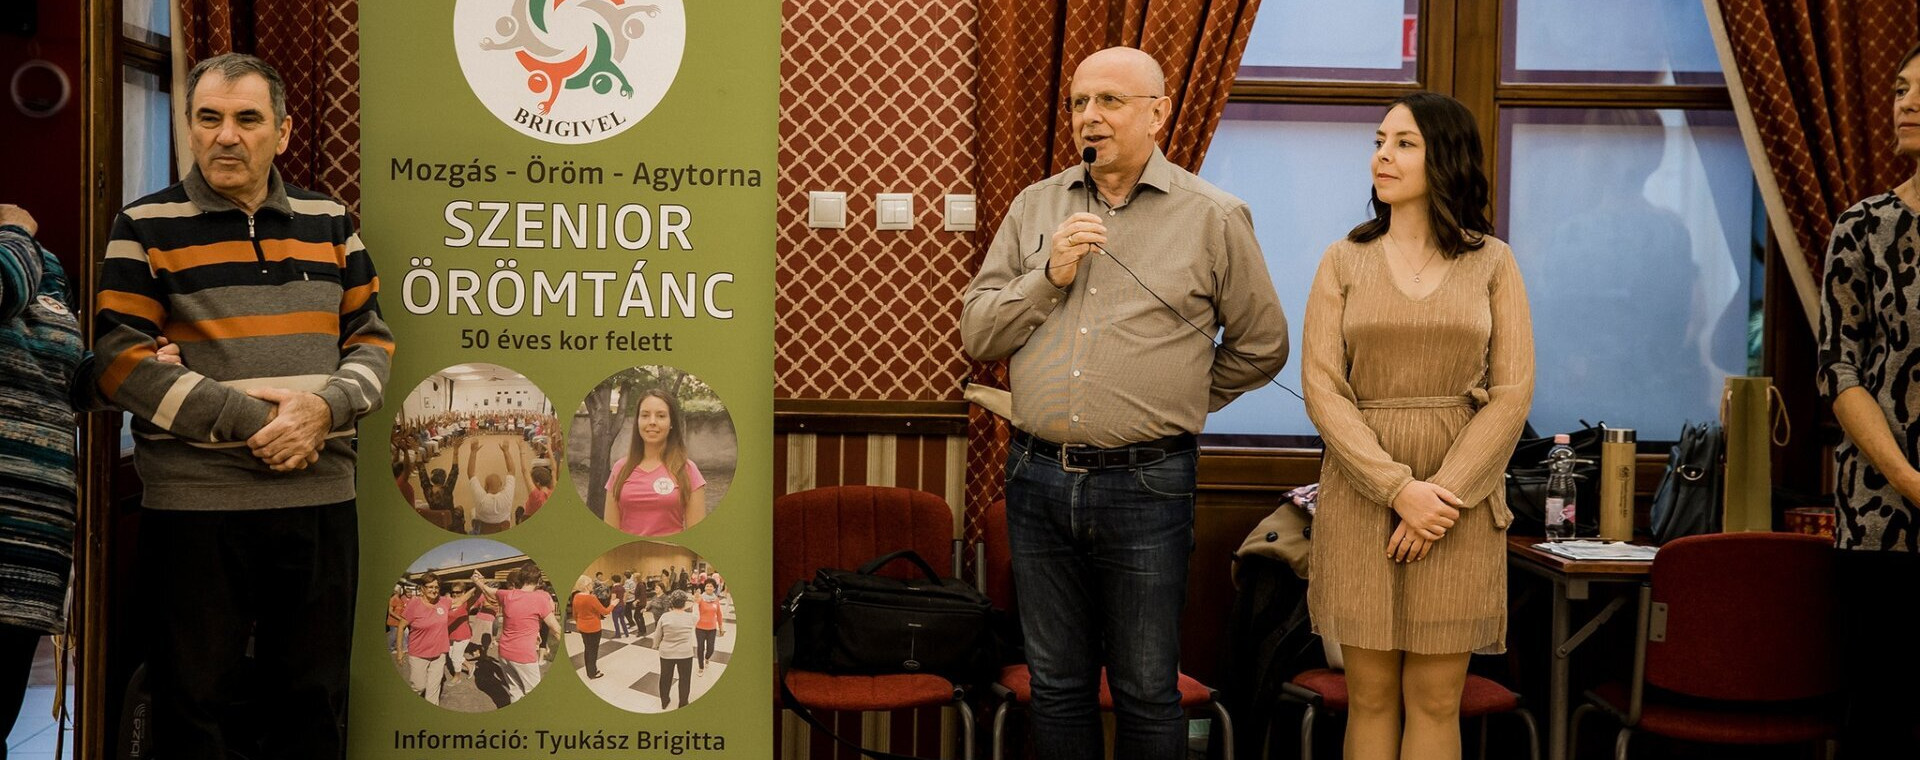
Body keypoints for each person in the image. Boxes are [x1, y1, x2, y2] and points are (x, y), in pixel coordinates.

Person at [959, 46, 1288, 759]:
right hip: (1037, 479)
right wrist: (1049, 275)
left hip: (1148, 483)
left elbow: (1263, 346)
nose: (1090, 116)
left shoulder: (1213, 216)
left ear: (1159, 113)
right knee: (1055, 684)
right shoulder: (1035, 206)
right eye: (1080, 102)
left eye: (1110, 100)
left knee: (1144, 686)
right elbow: (978, 332)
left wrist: (1173, 396)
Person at [83, 52, 393, 759]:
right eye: (209, 118)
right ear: (189, 128)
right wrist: (269, 424)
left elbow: (372, 344)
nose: (227, 136)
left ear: (282, 132)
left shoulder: (331, 222)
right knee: (192, 706)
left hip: (318, 500)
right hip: (195, 508)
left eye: (247, 119)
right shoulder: (144, 225)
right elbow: (121, 363)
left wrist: (323, 412)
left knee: (313, 702)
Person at [1302, 91, 1533, 760]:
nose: (1382, 155)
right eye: (1379, 141)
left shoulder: (1493, 262)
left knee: (1435, 700)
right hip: (1361, 491)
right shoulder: (1343, 259)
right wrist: (1398, 489)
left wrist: (1440, 498)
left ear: (1446, 157)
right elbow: (1322, 388)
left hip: (1458, 502)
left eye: (1404, 143)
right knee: (1370, 698)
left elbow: (1512, 393)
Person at [1816, 39, 1920, 757]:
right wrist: (1910, 480)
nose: (1906, 103)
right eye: (1900, 89)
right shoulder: (1863, 225)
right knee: (1878, 716)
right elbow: (1840, 370)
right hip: (1882, 517)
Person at [605, 389, 708, 535]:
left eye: (661, 416)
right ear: (637, 421)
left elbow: (697, 536)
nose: (652, 422)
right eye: (645, 415)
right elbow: (610, 532)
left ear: (671, 423)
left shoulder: (688, 470)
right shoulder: (620, 469)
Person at [471, 562, 563, 703]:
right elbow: (556, 629)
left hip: (504, 652)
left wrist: (477, 581)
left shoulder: (507, 595)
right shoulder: (540, 598)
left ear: (520, 578)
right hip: (524, 655)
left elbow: (487, 590)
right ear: (538, 580)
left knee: (515, 690)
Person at [398, 574, 458, 705]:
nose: (434, 590)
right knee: (419, 686)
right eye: (430, 587)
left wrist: (477, 587)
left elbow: (459, 601)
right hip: (418, 654)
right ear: (422, 588)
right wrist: (400, 651)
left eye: (436, 587)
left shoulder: (443, 601)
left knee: (433, 689)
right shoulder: (414, 604)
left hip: (439, 653)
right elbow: (401, 626)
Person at [653, 591, 698, 710]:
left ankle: (664, 701)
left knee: (665, 678)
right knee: (685, 679)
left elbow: (657, 634)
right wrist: (692, 603)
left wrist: (655, 645)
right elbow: (696, 615)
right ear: (684, 603)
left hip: (666, 653)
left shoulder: (665, 617)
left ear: (671, 602)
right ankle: (683, 702)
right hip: (685, 653)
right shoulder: (691, 617)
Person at [466, 438, 518, 533]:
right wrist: (506, 451)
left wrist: (473, 452)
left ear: (485, 487)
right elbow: (512, 471)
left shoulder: (481, 499)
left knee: (473, 511)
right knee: (509, 515)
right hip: (503, 530)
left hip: (482, 531)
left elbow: (471, 474)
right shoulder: (507, 497)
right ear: (501, 485)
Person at [569, 575, 610, 679]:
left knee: (587, 649)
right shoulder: (591, 598)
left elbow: (575, 614)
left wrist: (579, 623)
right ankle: (592, 673)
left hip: (582, 627)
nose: (592, 585)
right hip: (593, 628)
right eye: (591, 583)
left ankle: (590, 671)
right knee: (593, 651)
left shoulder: (576, 596)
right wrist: (613, 604)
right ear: (586, 586)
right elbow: (605, 611)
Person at [694, 579, 724, 674]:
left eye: (711, 586)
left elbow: (719, 614)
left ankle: (707, 658)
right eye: (707, 586)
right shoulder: (700, 598)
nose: (709, 587)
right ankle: (701, 667)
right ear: (705, 587)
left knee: (711, 649)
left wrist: (721, 627)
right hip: (700, 628)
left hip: (712, 629)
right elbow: (694, 610)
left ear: (714, 588)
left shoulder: (716, 600)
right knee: (700, 648)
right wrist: (695, 600)